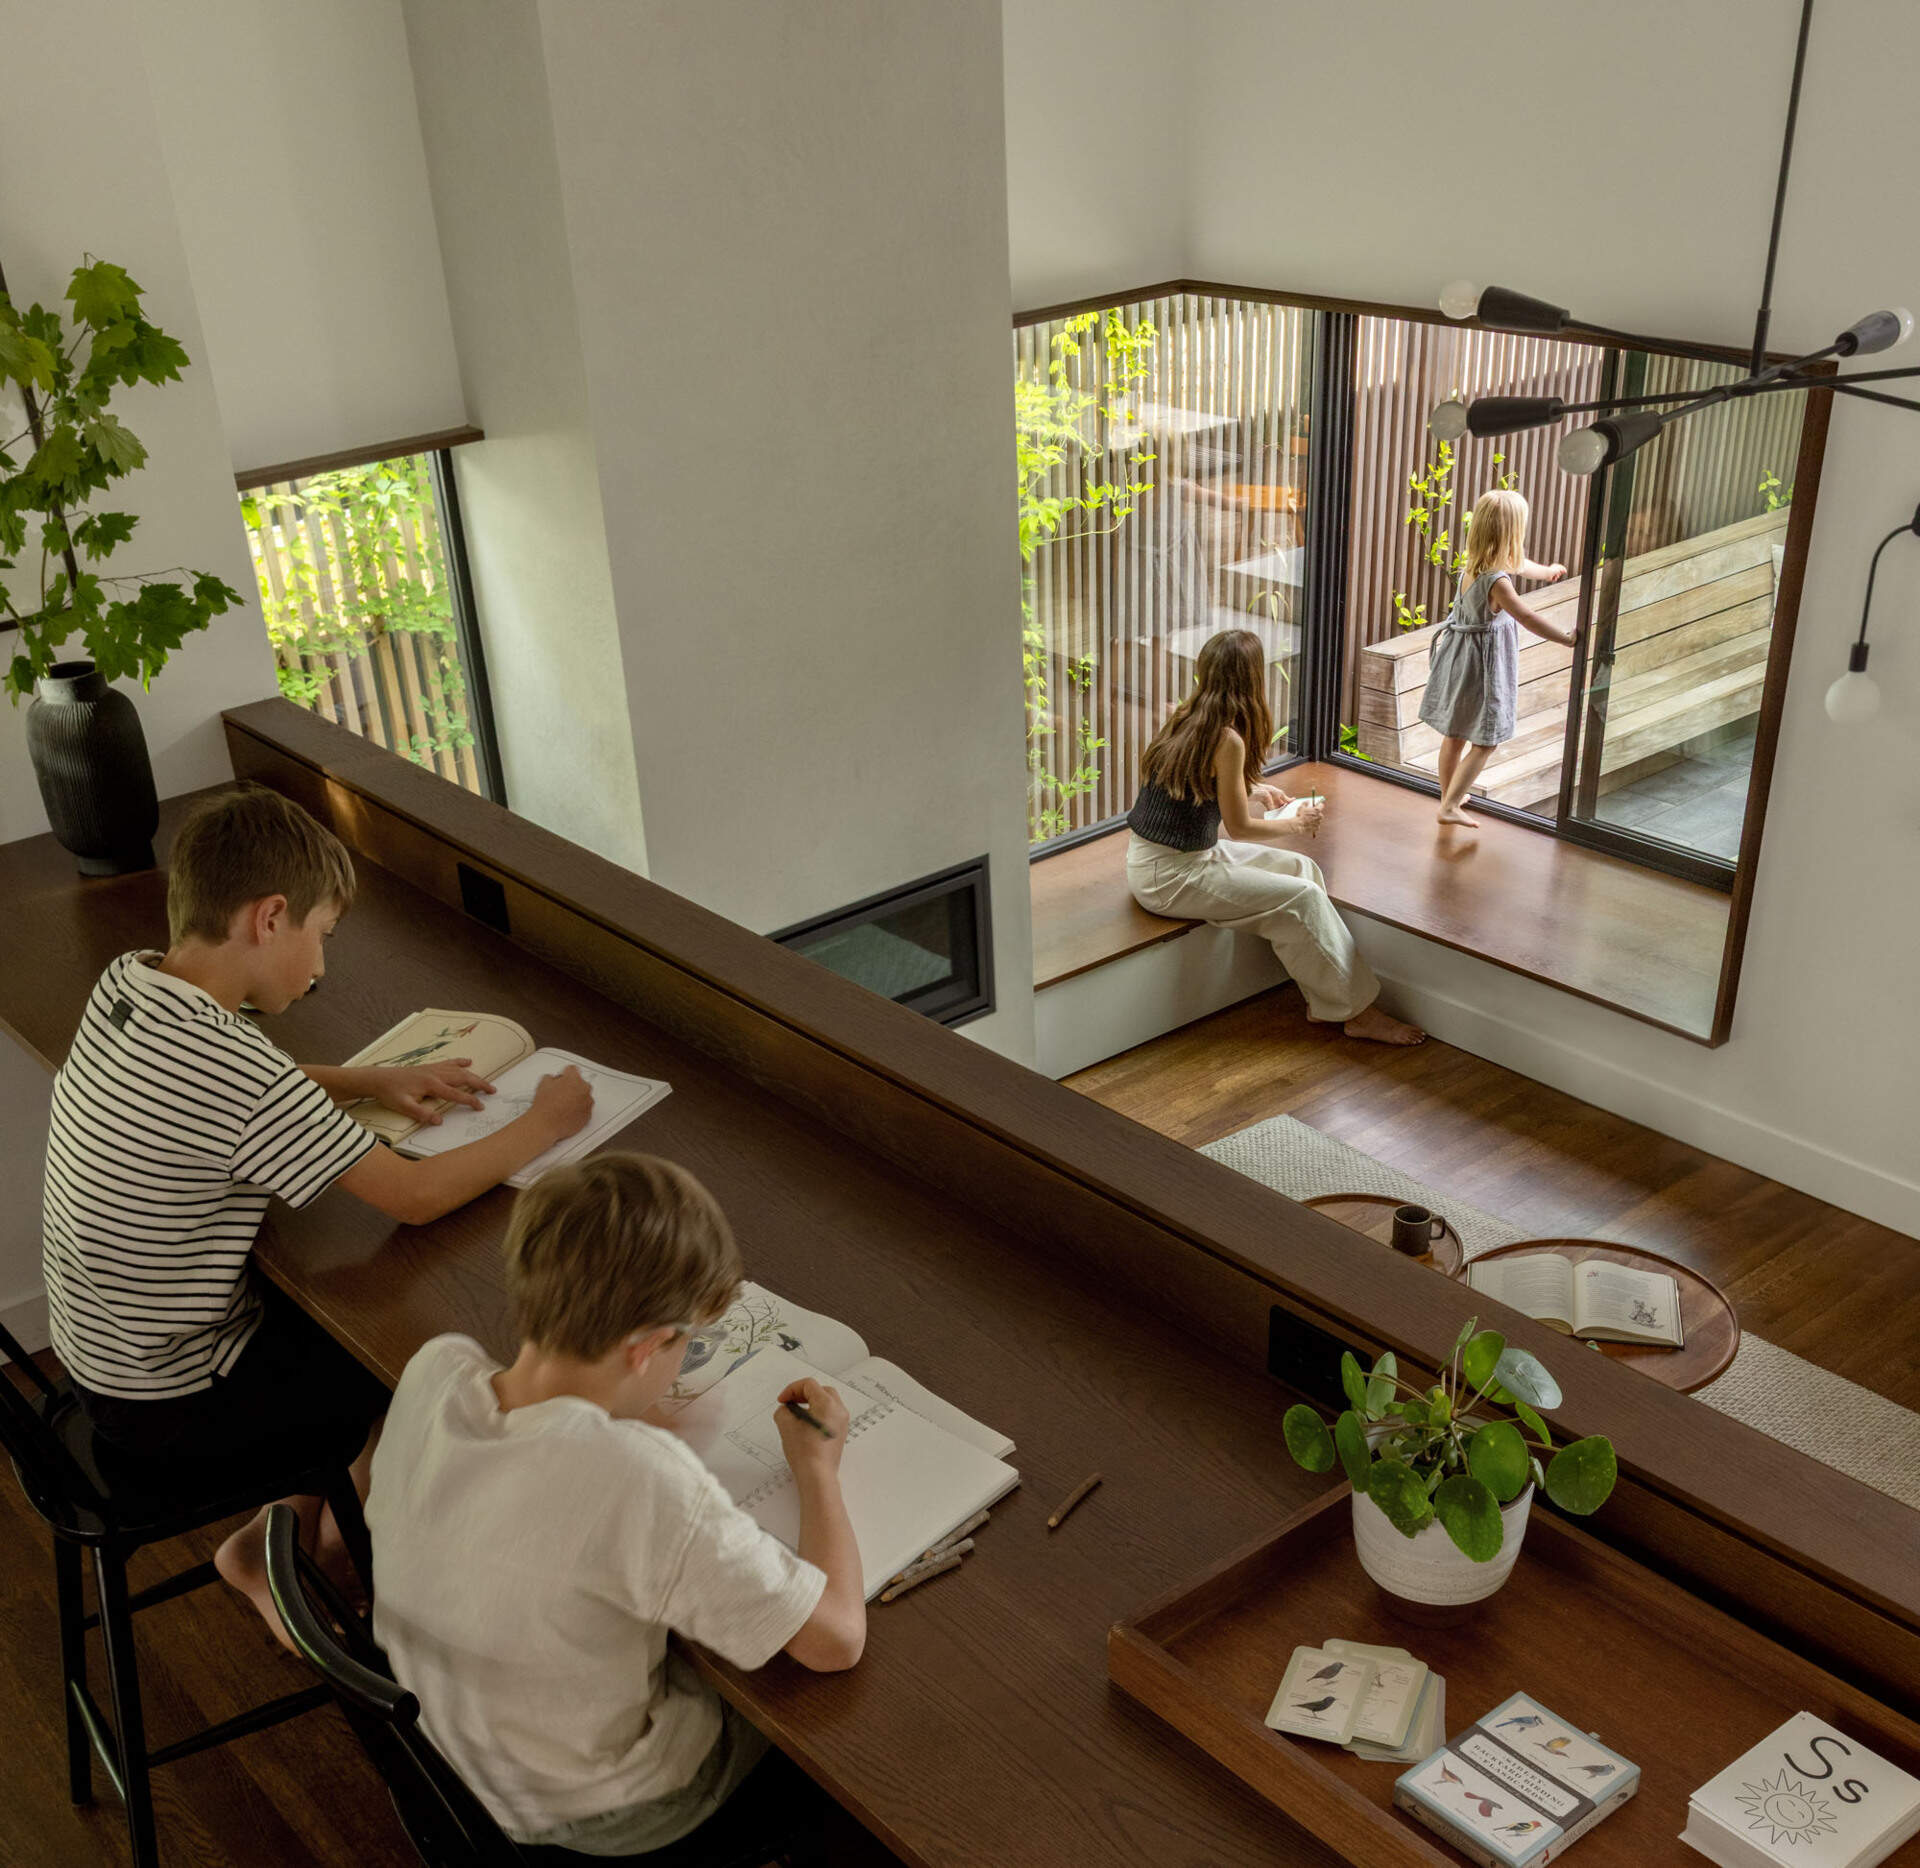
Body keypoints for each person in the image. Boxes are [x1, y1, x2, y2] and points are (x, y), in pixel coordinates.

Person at [41, 783, 595, 1643]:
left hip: (99, 1363)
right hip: (175, 1402)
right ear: (269, 918)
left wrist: (367, 1080)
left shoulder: (132, 984)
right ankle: (315, 1560)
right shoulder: (230, 1066)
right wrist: (542, 1123)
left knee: (347, 1318)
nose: (323, 966)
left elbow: (236, 1088)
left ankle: (286, 1531)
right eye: (322, 935)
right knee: (414, 1367)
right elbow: (413, 1198)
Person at [365, 1154, 864, 1863]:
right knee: (837, 1749)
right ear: (649, 1347)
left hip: (453, 1761)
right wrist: (818, 1468)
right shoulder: (637, 1478)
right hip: (610, 1819)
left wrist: (623, 1424)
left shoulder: (435, 1370)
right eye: (685, 1347)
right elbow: (835, 1639)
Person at [1125, 630, 1423, 1046]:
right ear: (1251, 677)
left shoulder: (1190, 713)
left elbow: (1197, 783)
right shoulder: (1226, 738)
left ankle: (1326, 994)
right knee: (1302, 897)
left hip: (1169, 858)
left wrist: (1256, 789)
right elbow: (1242, 828)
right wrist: (1296, 825)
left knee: (1303, 869)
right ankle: (1357, 1013)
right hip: (1170, 874)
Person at [1417, 489, 1574, 826]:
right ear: (1514, 533)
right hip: (1482, 668)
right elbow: (1527, 617)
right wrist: (1565, 639)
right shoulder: (1499, 583)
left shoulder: (1474, 564)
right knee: (1487, 740)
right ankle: (1449, 806)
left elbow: (1521, 564)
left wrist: (1547, 572)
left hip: (1458, 660)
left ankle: (1450, 795)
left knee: (1455, 734)